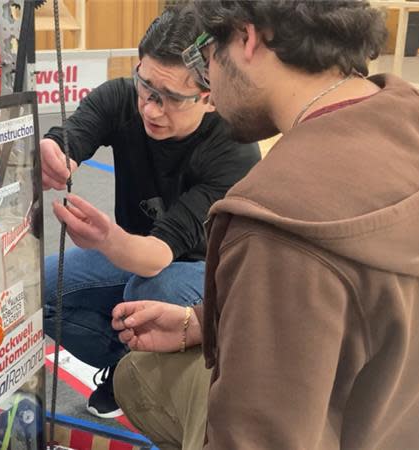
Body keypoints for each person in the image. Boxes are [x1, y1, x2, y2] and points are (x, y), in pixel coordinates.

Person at [112, 1, 419, 449]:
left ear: (246, 38)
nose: (208, 87)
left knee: (136, 378)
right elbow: (374, 305)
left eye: (205, 57)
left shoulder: (276, 220)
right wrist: (205, 321)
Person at [41, 6, 260, 418]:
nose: (150, 109)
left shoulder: (233, 149)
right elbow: (67, 139)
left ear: (210, 98)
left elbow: (158, 255)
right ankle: (127, 368)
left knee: (149, 293)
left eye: (170, 99)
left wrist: (106, 238)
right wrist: (54, 156)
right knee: (40, 291)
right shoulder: (122, 97)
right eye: (145, 87)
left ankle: (170, 384)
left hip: (205, 273)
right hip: (133, 258)